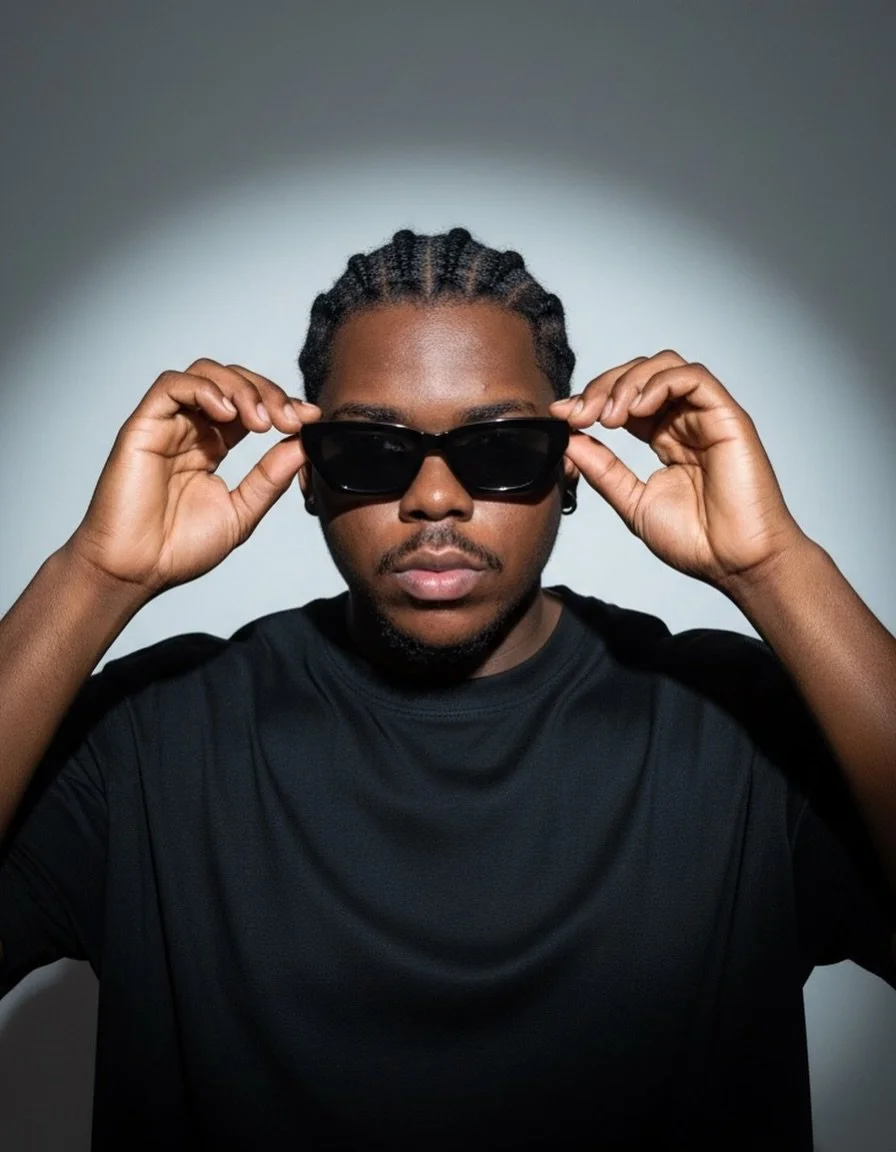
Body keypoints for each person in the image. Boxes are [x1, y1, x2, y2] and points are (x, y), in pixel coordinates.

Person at [0, 226, 893, 1151]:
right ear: (305, 475)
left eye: (501, 448)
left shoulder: (742, 733)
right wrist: (95, 576)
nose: (435, 499)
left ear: (570, 471)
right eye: (372, 450)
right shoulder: (153, 737)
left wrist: (772, 566)